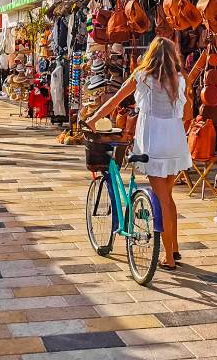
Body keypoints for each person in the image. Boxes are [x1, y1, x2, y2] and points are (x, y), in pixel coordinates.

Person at [88, 37, 192, 270]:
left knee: (163, 199)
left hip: (154, 142)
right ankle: (173, 247)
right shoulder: (179, 80)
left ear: (150, 55)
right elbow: (186, 115)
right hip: (174, 142)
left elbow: (115, 101)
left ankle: (168, 257)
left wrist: (94, 119)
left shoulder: (142, 77)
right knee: (168, 198)